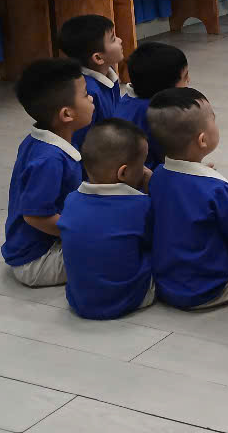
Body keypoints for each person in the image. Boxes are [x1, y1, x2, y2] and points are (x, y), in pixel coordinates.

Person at [147, 88, 228, 310]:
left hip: (166, 284)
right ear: (202, 140)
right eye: (213, 118)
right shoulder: (217, 189)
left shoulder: (157, 176)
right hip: (210, 289)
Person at [2, 59, 94, 288]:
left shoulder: (41, 141)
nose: (92, 99)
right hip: (37, 261)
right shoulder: (49, 160)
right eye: (85, 95)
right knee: (118, 249)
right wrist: (81, 232)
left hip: (46, 244)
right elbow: (35, 216)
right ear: (67, 114)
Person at [58, 119, 156, 319]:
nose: (145, 170)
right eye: (142, 164)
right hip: (127, 298)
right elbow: (155, 241)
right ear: (123, 172)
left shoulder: (72, 200)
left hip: (78, 300)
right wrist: (153, 190)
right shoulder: (141, 206)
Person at [117, 42, 189, 168]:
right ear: (165, 88)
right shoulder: (158, 113)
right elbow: (173, 158)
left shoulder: (127, 100)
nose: (188, 80)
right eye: (185, 77)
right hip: (147, 174)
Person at [57, 14, 124, 146]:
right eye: (113, 39)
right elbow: (81, 141)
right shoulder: (88, 92)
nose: (120, 40)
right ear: (98, 58)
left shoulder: (110, 75)